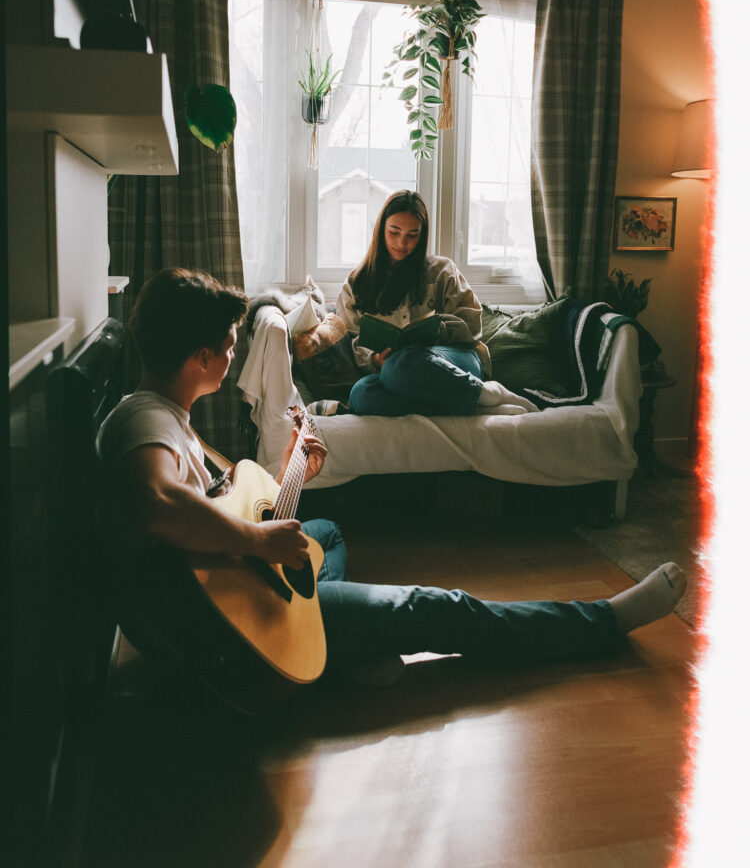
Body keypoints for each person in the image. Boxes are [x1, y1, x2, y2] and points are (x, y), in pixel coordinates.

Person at [97, 267, 687, 691]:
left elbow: (213, 511)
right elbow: (158, 503)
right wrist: (257, 541)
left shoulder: (162, 415)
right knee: (442, 607)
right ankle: (603, 622)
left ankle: (339, 645)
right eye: (228, 347)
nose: (232, 359)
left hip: (221, 594)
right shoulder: (144, 419)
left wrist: (292, 470)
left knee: (323, 532)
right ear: (200, 357)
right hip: (222, 633)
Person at [336, 190, 539, 417]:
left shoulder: (442, 271)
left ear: (422, 235)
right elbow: (352, 340)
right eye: (394, 232)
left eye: (413, 234)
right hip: (397, 373)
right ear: (380, 229)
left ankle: (490, 393)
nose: (402, 242)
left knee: (402, 363)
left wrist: (436, 330)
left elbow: (471, 325)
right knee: (362, 394)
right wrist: (374, 359)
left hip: (454, 361)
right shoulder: (356, 284)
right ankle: (479, 404)